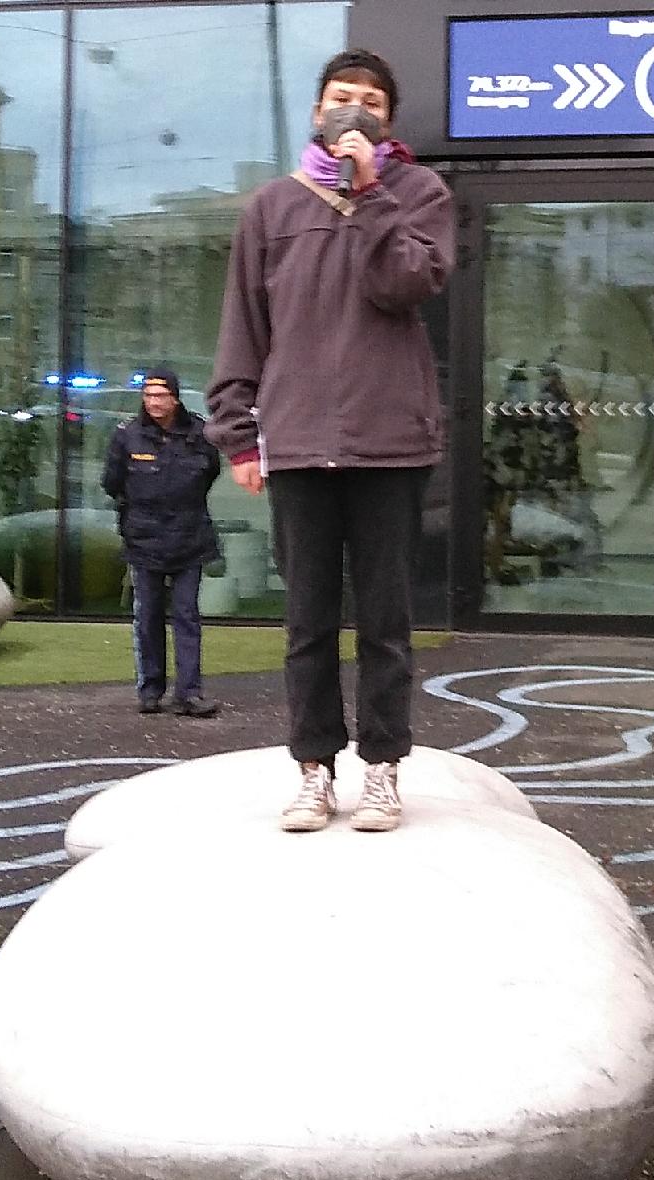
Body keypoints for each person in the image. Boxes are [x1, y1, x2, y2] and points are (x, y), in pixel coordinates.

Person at [207, 48, 451, 832]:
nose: (355, 110)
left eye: (371, 102)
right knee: (307, 622)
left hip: (390, 445)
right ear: (317, 112)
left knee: (386, 621)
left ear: (387, 119)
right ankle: (314, 770)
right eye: (341, 98)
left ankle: (382, 769)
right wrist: (239, 436)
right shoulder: (272, 209)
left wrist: (371, 191)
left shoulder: (421, 192)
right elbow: (243, 328)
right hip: (301, 443)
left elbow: (407, 285)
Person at [102, 368, 222, 719]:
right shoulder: (127, 435)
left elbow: (210, 472)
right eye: (148, 396)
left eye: (161, 396)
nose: (154, 403)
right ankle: (151, 690)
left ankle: (189, 694)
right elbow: (112, 482)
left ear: (175, 397)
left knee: (186, 616)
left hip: (189, 537)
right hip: (144, 539)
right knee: (148, 616)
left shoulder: (199, 433)